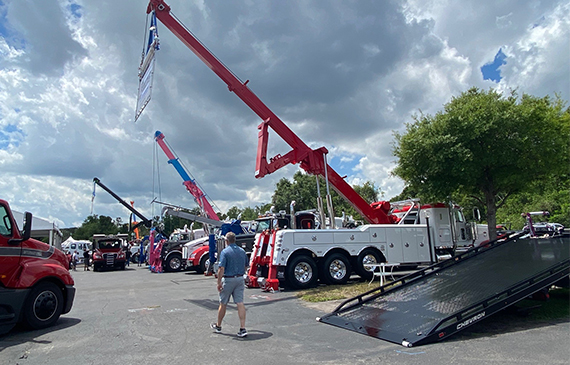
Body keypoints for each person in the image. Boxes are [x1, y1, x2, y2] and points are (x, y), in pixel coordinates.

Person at [210, 232, 248, 338]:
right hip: (240, 278)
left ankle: (218, 326)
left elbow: (221, 268)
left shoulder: (225, 252)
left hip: (229, 279)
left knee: (223, 303)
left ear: (226, 241)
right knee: (240, 302)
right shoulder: (242, 251)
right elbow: (246, 266)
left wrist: (218, 282)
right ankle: (242, 328)